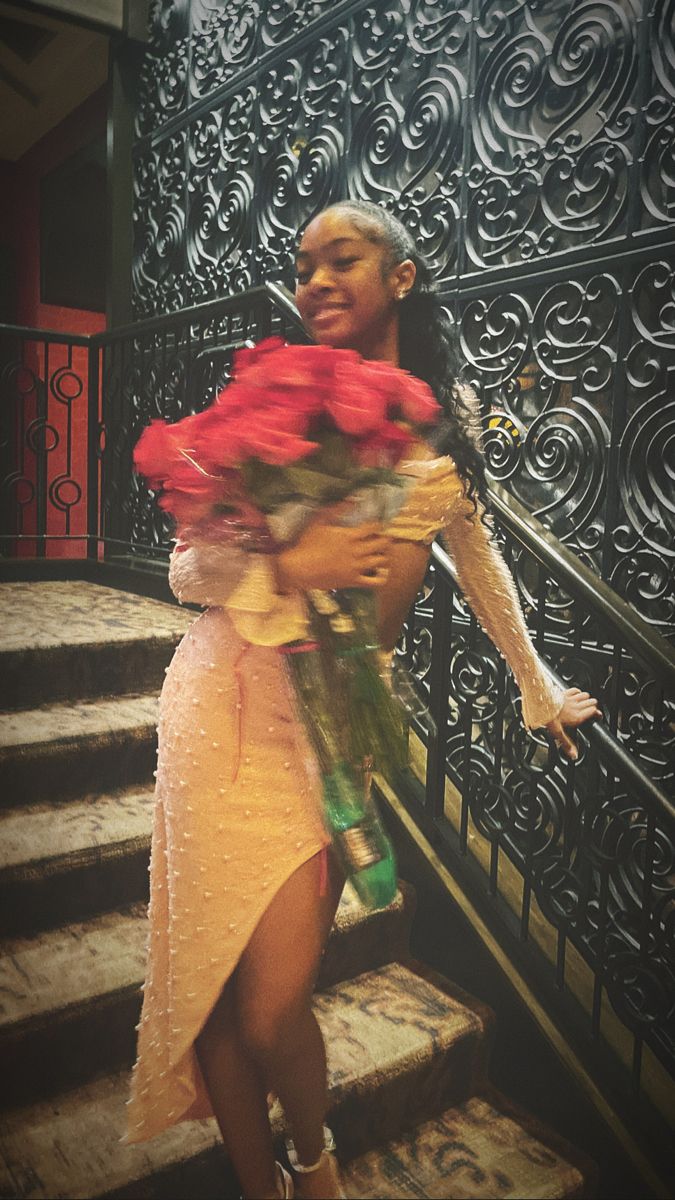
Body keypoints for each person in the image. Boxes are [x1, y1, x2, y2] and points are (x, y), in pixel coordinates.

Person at [126, 200, 601, 1200]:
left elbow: (476, 556)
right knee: (214, 998)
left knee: (270, 1008)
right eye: (304, 266)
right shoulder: (276, 400)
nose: (317, 281)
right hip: (224, 701)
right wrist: (294, 558)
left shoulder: (438, 416)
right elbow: (188, 569)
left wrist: (537, 685)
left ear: (402, 276)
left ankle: (313, 1153)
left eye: (343, 257)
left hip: (339, 729)